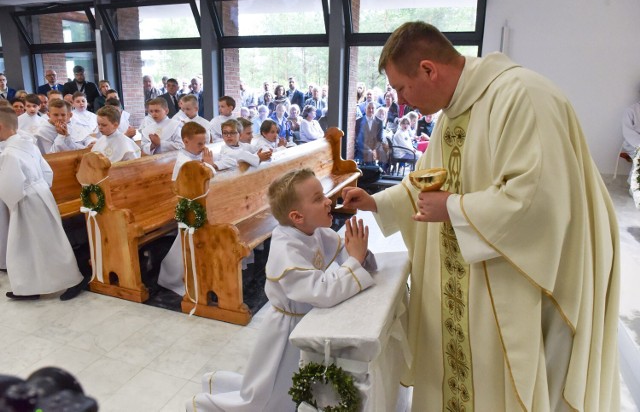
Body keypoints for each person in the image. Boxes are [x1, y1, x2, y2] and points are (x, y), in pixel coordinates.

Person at [341, 21, 620, 411]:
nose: (400, 103)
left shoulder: (521, 96)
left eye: (401, 88)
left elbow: (539, 201)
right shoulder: (452, 113)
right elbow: (424, 181)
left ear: (427, 69)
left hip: (523, 276)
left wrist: (454, 208)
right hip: (471, 283)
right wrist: (375, 202)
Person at [187, 168, 377, 412]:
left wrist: (359, 255)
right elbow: (321, 291)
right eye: (318, 198)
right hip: (286, 330)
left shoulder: (317, 231)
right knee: (267, 392)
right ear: (297, 217)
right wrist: (355, 261)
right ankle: (205, 405)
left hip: (305, 322)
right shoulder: (285, 248)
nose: (329, 200)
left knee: (289, 386)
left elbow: (345, 254)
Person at [0, 107, 85, 301]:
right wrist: (40, 189)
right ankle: (30, 286)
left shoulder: (9, 154)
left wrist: (15, 203)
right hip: (40, 194)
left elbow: (9, 186)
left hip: (26, 201)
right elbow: (47, 172)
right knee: (32, 244)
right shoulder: (27, 144)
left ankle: (72, 280)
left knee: (41, 243)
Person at [158, 122, 215, 296]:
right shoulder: (185, 161)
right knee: (185, 245)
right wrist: (209, 164)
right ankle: (174, 277)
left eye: (205, 142)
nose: (203, 146)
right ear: (185, 141)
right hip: (190, 208)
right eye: (199, 143)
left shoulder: (194, 157)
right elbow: (193, 181)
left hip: (200, 204)